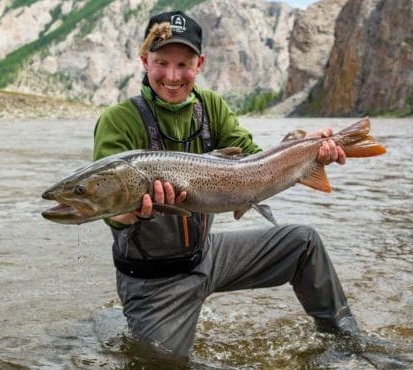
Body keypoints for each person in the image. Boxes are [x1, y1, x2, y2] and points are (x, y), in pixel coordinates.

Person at [93, 10, 362, 361]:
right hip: (155, 281)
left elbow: (257, 162)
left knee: (303, 242)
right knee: (159, 363)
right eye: (162, 63)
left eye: (184, 64)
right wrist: (134, 213)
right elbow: (110, 212)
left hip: (209, 254)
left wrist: (304, 149)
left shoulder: (211, 107)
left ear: (200, 63)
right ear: (145, 61)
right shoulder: (119, 120)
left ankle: (347, 342)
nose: (172, 76)